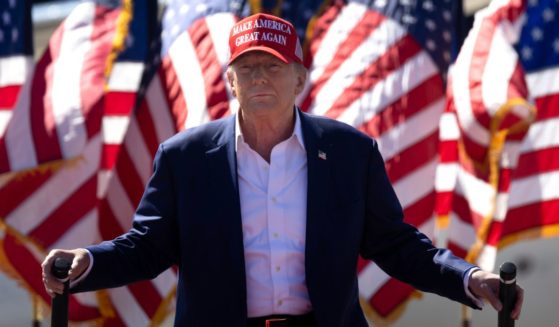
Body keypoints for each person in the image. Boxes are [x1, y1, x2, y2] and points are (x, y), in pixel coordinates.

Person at [42, 13, 523, 327]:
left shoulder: (351, 153)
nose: (258, 77)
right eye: (246, 67)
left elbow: (397, 245)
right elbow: (147, 248)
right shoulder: (183, 158)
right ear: (229, 80)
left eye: (272, 66)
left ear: (299, 79)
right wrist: (91, 262)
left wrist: (469, 278)